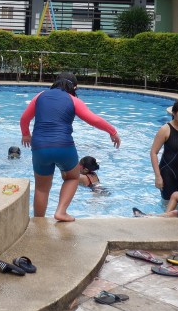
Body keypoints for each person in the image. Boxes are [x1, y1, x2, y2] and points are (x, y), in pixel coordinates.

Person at [20, 72, 120, 222]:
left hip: (40, 146)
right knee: (72, 177)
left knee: (41, 188)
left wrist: (26, 135)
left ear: (55, 82)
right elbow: (93, 120)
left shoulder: (40, 95)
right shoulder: (73, 100)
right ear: (75, 87)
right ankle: (61, 212)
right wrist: (112, 132)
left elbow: (24, 118)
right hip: (63, 146)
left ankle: (38, 221)